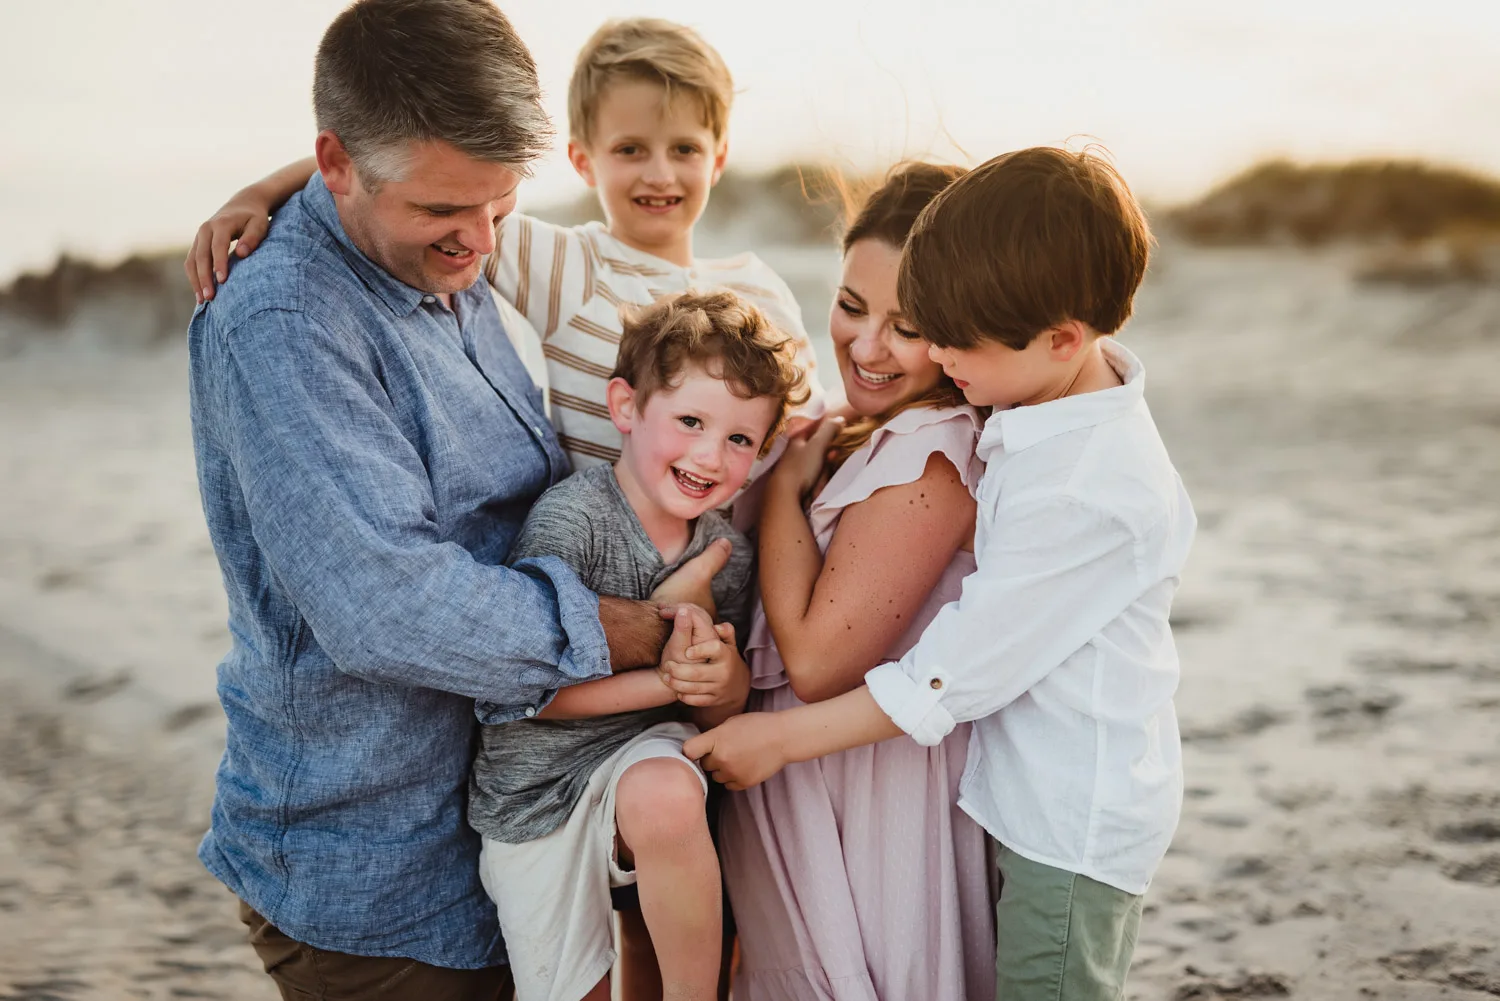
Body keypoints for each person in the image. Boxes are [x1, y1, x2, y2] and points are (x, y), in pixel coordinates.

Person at [186, 2, 726, 998]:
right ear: (337, 165)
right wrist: (645, 633)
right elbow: (386, 603)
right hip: (374, 871)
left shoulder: (437, 246)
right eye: (445, 211)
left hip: (503, 823)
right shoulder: (285, 319)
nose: (478, 241)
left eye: (500, 203)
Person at [684, 147, 1198, 1001]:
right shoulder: (1042, 406)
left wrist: (776, 738)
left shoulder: (1087, 490)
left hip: (1067, 828)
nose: (947, 364)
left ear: (1064, 338)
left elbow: (947, 674)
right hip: (1013, 801)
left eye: (951, 342)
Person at [184, 16, 821, 475]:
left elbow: (805, 432)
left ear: (719, 159)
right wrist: (261, 191)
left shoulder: (758, 287)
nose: (658, 173)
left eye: (683, 148)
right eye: (630, 149)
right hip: (623, 551)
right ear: (583, 161)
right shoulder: (565, 267)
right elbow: (399, 165)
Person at [665, 163, 998, 1000]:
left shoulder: (929, 453)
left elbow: (817, 661)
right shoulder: (857, 430)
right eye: (851, 307)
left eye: (908, 326)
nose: (867, 345)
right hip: (797, 779)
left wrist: (781, 492)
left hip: (865, 798)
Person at [470, 289, 808, 1001]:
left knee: (664, 792)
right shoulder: (573, 519)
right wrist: (671, 680)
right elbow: (532, 694)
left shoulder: (727, 551)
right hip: (535, 790)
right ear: (625, 407)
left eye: (741, 439)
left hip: (643, 760)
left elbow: (722, 709)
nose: (711, 456)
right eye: (690, 420)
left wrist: (725, 684)